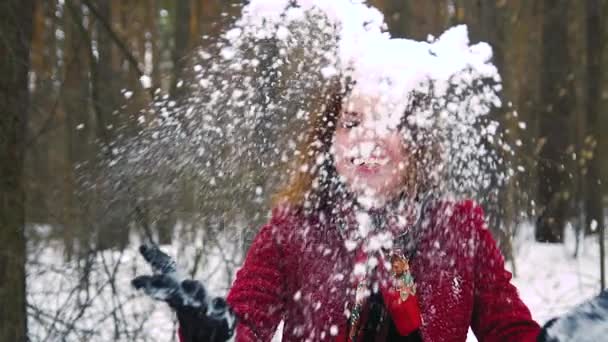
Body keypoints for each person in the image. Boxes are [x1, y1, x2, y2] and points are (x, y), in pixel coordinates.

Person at [134, 81, 550, 341]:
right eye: (350, 122)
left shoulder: (460, 229)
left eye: (387, 121)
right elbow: (247, 326)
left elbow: (510, 332)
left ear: (417, 138)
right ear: (328, 140)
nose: (366, 140)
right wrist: (212, 334)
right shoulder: (292, 230)